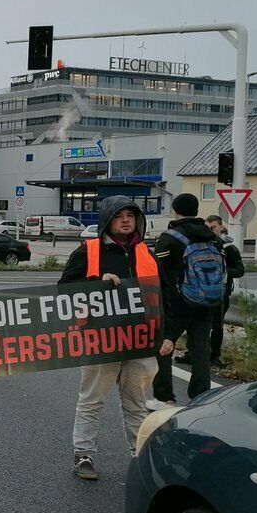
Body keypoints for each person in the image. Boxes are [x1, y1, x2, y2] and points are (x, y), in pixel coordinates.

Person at [59, 196, 167, 481]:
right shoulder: (88, 251)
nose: (126, 220)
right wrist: (97, 284)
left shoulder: (146, 252)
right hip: (101, 339)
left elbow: (166, 295)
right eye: (119, 215)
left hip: (140, 340)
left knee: (136, 401)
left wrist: (167, 335)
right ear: (108, 219)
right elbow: (64, 290)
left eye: (131, 215)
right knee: (92, 400)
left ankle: (139, 454)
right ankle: (84, 454)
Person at [151, 194, 226, 404]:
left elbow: (158, 271)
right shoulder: (212, 237)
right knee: (201, 350)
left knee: (164, 346)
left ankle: (164, 397)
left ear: (175, 209)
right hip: (207, 302)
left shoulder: (170, 237)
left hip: (177, 304)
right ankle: (200, 397)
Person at [174, 215, 244, 369]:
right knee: (194, 325)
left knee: (217, 326)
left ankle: (214, 357)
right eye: (207, 228)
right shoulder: (200, 246)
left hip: (220, 293)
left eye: (213, 228)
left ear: (220, 227)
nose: (210, 231)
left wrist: (222, 271)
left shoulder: (228, 248)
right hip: (198, 293)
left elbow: (240, 270)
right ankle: (191, 353)